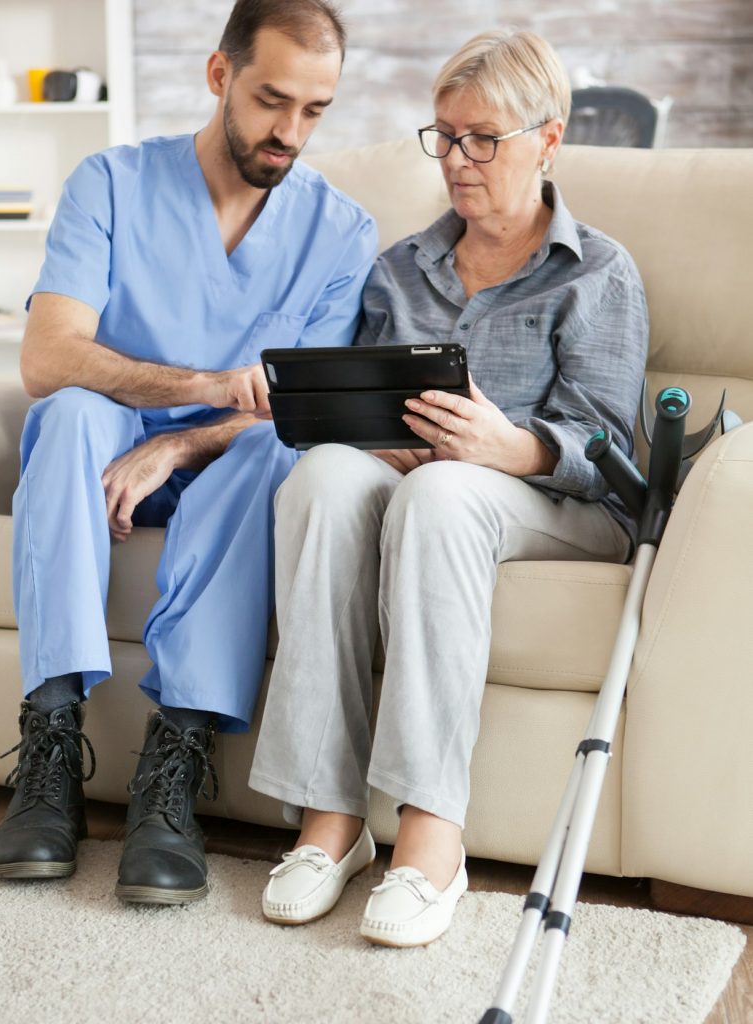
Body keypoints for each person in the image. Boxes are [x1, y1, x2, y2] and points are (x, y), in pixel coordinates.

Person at [249, 28, 648, 947]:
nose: (458, 161)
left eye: (483, 140)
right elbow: (358, 399)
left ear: (547, 140)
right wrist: (370, 441)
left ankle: (432, 834)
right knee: (320, 479)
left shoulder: (598, 272)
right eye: (444, 136)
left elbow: (606, 448)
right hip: (425, 485)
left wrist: (508, 446)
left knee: (444, 495)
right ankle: (328, 821)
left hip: (558, 505)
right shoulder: (400, 269)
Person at [0, 0, 376, 905]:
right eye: (271, 100)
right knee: (73, 415)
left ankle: (177, 761)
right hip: (106, 446)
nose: (289, 132)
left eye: (314, 111)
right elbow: (48, 357)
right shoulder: (111, 182)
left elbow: (302, 406)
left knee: (277, 447)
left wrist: (182, 447)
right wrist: (206, 385)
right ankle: (49, 750)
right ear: (219, 76)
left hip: (224, 469)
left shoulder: (342, 233)